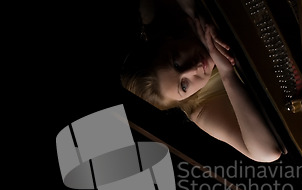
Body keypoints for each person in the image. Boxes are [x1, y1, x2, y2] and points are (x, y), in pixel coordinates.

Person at [121, 0, 282, 163]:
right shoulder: (201, 109)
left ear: (166, 40)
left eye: (176, 62)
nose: (193, 69)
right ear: (183, 99)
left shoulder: (166, 17)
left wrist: (195, 13)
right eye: (184, 86)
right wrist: (226, 73)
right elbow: (267, 152)